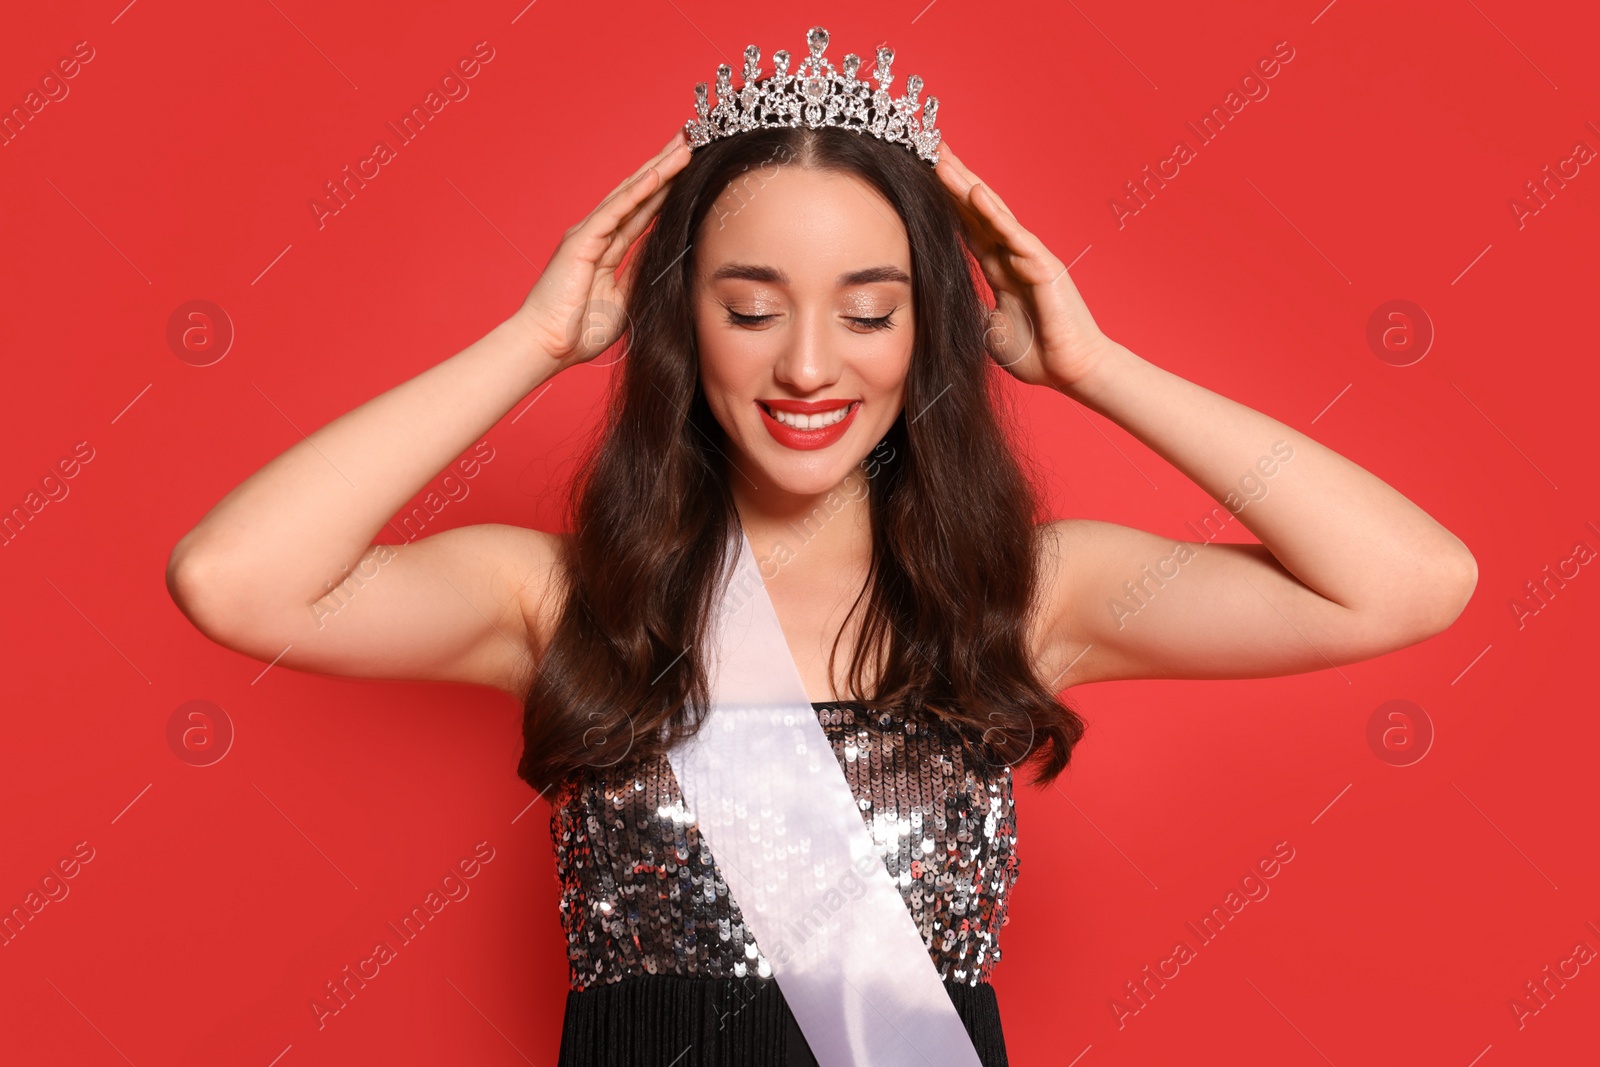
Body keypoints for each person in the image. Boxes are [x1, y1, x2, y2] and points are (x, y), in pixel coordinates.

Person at [164, 27, 1477, 1067]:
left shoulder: (1018, 598)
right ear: (681, 321)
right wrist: (533, 343)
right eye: (750, 307)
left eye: (868, 313)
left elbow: (1409, 582)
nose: (805, 364)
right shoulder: (567, 597)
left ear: (930, 335)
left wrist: (1096, 365)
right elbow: (236, 580)